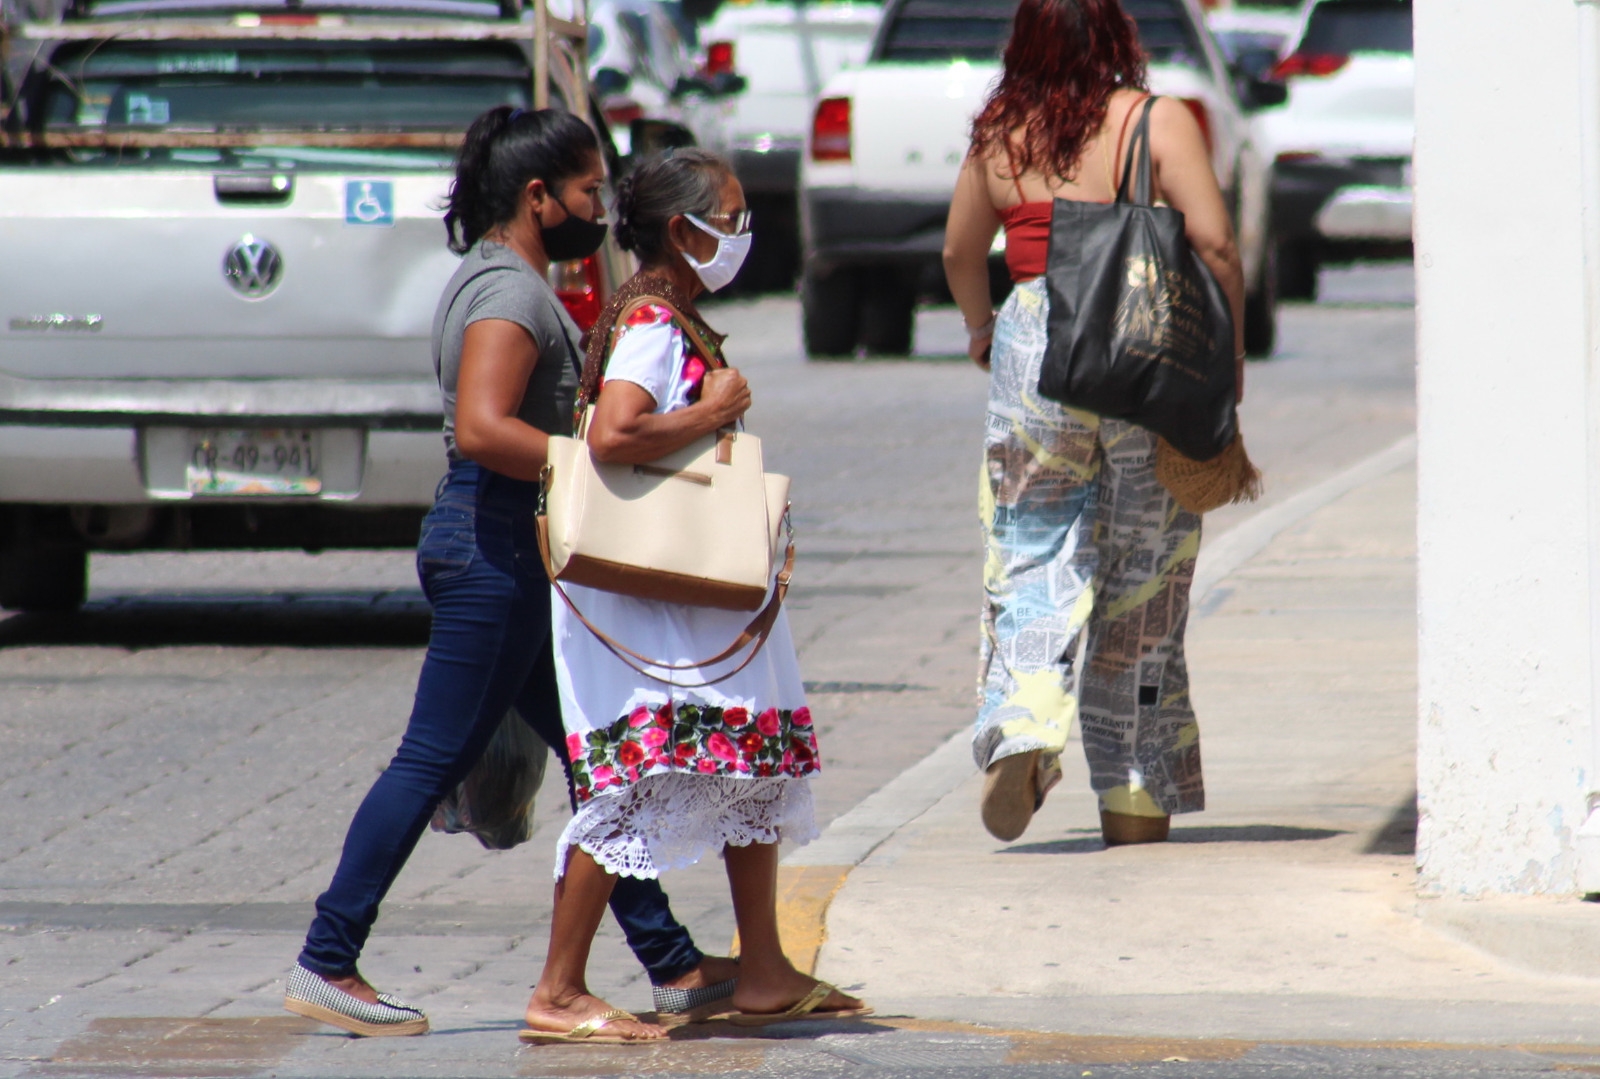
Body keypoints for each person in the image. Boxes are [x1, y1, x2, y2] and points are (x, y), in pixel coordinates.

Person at [283, 107, 737, 1038]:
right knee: (430, 759)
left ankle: (674, 963)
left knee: (594, 756)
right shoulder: (509, 294)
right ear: (538, 197)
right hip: (489, 548)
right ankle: (329, 956)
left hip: (503, 546)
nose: (598, 208)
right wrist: (595, 469)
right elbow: (486, 429)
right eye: (585, 191)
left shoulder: (507, 280)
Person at [519, 148, 869, 1044]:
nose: (744, 233)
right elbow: (615, 434)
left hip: (691, 595)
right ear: (683, 230)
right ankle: (558, 990)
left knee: (751, 760)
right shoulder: (651, 325)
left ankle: (762, 969)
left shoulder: (671, 315)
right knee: (639, 777)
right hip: (653, 602)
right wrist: (713, 415)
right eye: (732, 216)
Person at [942, 0, 1246, 847]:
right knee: (1144, 580)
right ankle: (1137, 801)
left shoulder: (1001, 130)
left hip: (1037, 337)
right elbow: (1216, 245)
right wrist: (1228, 359)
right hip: (1141, 344)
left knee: (1031, 544)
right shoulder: (1154, 120)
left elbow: (960, 254)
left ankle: (1026, 728)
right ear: (1118, 38)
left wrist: (980, 328)